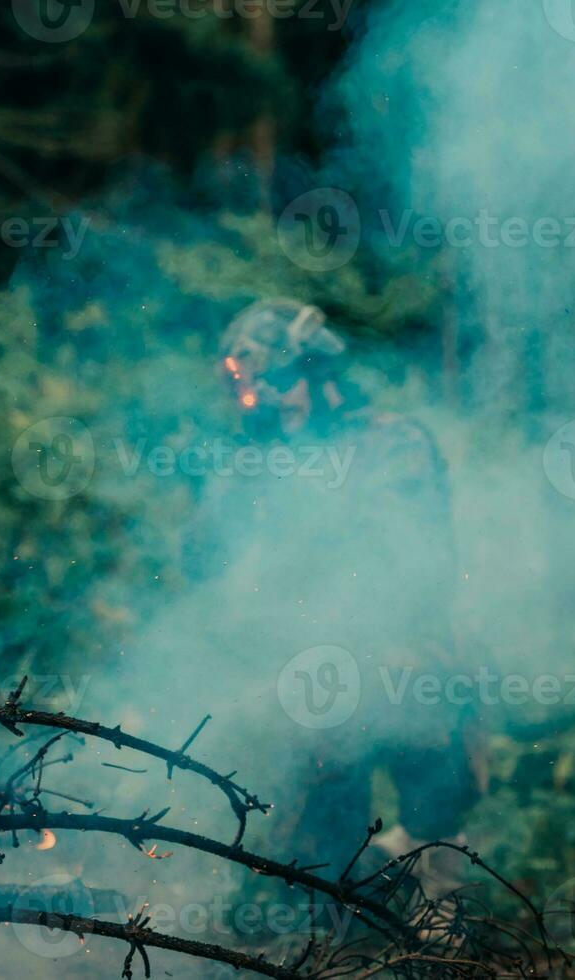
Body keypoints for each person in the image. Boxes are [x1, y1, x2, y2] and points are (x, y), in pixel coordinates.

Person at [209, 297, 480, 884]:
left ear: (315, 374)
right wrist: (246, 468)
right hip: (312, 664)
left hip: (399, 653)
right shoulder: (264, 453)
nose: (270, 402)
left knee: (413, 701)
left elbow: (406, 566)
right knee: (309, 862)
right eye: (255, 391)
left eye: (278, 384)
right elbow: (202, 552)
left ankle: (435, 863)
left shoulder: (393, 443)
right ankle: (337, 877)